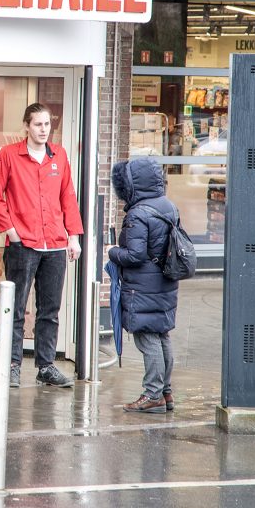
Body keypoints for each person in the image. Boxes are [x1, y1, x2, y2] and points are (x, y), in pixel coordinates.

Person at [0, 102, 83, 389]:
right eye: (38, 124)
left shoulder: (60, 156)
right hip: (23, 244)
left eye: (47, 124)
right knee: (15, 308)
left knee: (49, 310)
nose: (44, 130)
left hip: (54, 244)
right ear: (27, 126)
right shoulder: (9, 156)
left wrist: (74, 236)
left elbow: (68, 196)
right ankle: (13, 365)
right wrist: (11, 232)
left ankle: (46, 366)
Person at [108, 157, 179, 413]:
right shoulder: (168, 206)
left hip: (143, 286)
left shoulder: (138, 213)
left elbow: (134, 255)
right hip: (165, 283)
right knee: (162, 335)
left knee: (147, 338)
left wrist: (113, 251)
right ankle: (166, 392)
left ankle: (153, 394)